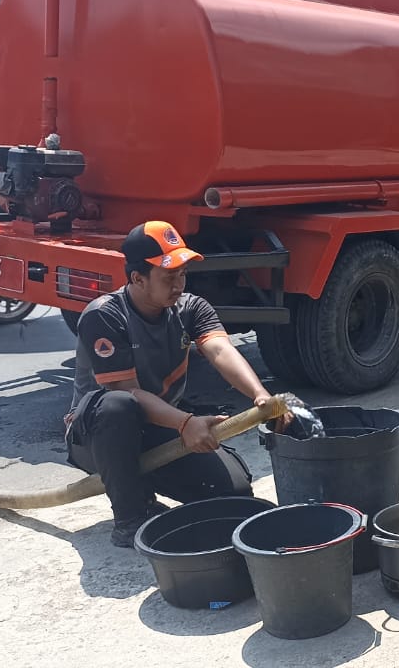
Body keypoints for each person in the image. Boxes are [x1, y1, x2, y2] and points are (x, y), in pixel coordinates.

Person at [65, 220, 285, 547]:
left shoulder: (191, 308)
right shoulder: (104, 315)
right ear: (137, 278)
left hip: (157, 427)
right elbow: (125, 390)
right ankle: (131, 516)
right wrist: (184, 423)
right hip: (99, 437)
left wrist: (261, 396)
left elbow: (221, 349)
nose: (178, 284)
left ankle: (145, 490)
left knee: (232, 491)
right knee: (118, 406)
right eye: (168, 277)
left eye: (182, 274)